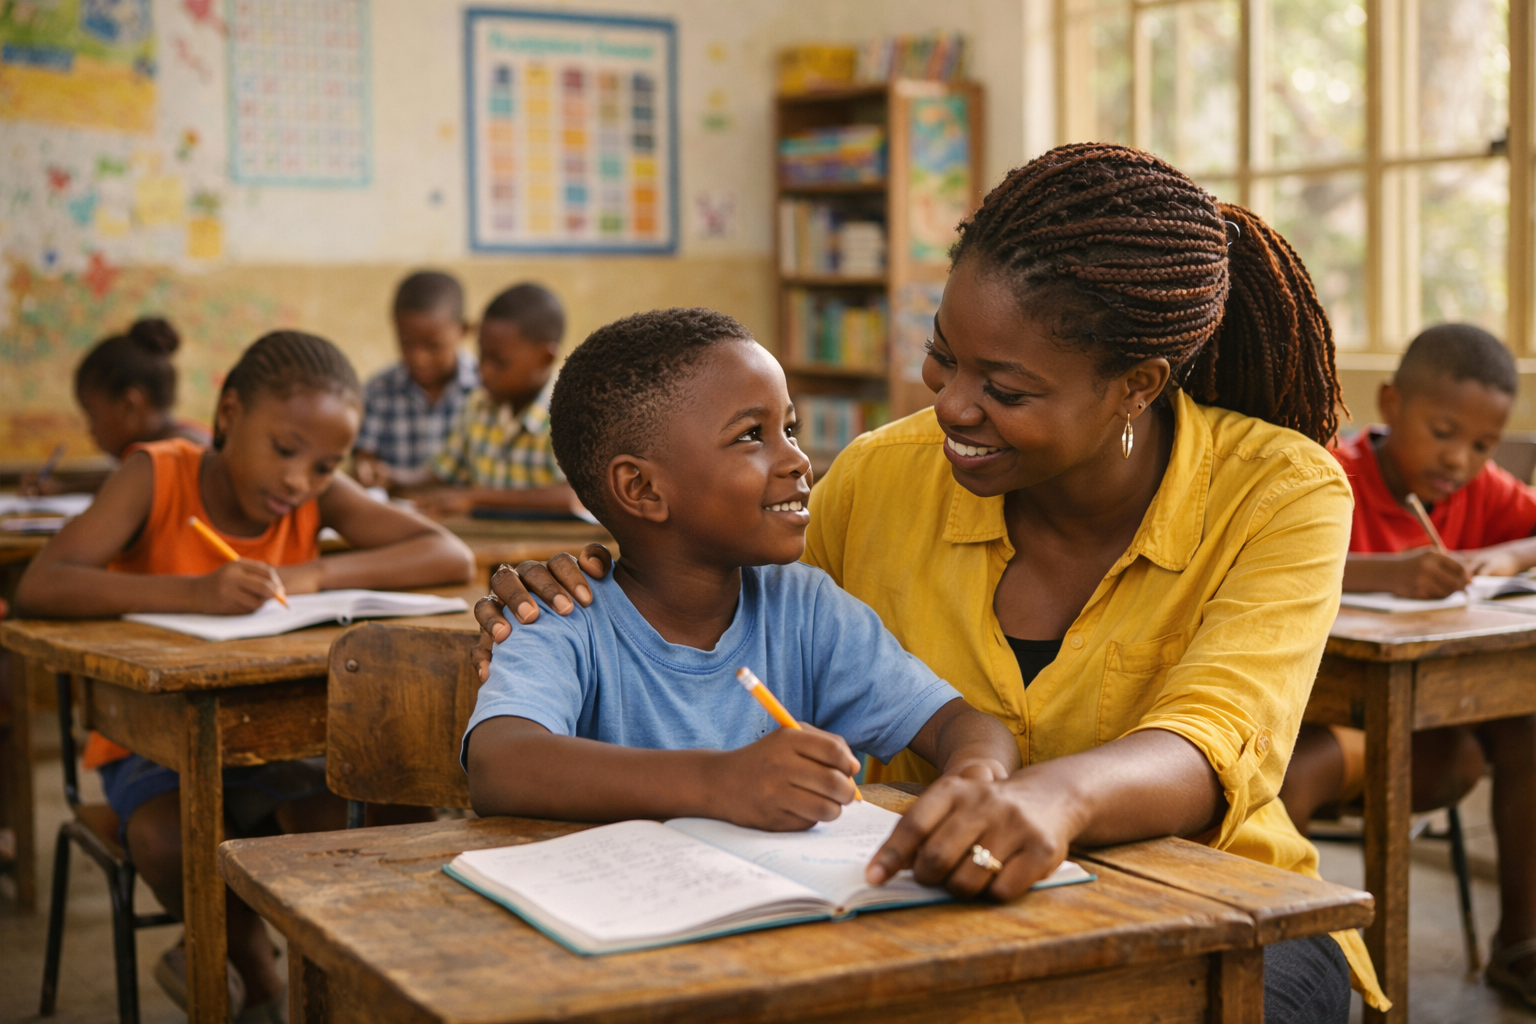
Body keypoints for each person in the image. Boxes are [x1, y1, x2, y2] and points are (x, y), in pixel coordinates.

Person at [469, 144, 1390, 1022]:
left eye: (1007, 390)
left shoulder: (1279, 492)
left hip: (1207, 898)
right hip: (928, 903)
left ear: (1136, 386)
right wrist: (594, 573)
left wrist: (1045, 797)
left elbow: (1214, 737)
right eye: (944, 356)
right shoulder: (880, 476)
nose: (949, 406)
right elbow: (726, 601)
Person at [15, 330, 475, 1020]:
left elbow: (446, 553)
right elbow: (41, 585)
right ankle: (253, 973)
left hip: (275, 734)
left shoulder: (312, 493)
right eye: (285, 450)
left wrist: (312, 572)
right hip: (153, 737)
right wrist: (192, 593)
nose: (299, 480)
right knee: (170, 840)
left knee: (361, 828)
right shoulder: (157, 473)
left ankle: (321, 979)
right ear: (230, 413)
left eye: (324, 467)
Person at [465, 308, 1020, 826]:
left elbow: (961, 725)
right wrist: (718, 782)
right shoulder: (564, 616)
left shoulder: (805, 609)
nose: (798, 460)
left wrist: (975, 782)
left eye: (790, 429)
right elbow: (501, 766)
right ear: (642, 488)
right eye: (752, 436)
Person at [1278, 323, 1536, 1006]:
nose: (1459, 459)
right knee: (1289, 781)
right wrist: (1386, 574)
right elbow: (1275, 559)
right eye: (1443, 432)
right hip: (1332, 721)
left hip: (1439, 738)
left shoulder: (1482, 494)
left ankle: (1521, 943)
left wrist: (1507, 555)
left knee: (1528, 726)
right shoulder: (1331, 473)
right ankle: (1285, 975)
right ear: (1391, 403)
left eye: (1482, 446)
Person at [413, 282, 576, 516]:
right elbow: (444, 471)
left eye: (498, 362)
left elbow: (576, 497)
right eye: (481, 355)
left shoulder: (570, 416)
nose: (483, 370)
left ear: (544, 359)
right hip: (486, 537)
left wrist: (476, 497)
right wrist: (392, 476)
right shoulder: (478, 405)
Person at [21, 317, 209, 495]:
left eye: (93, 416)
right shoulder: (161, 451)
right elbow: (119, 481)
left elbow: (128, 485)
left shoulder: (176, 455)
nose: (91, 430)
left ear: (129, 405)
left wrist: (63, 489)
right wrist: (62, 488)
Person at [352, 270, 478, 491]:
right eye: (407, 343)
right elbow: (364, 456)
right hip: (394, 508)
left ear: (463, 330)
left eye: (434, 346)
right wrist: (366, 470)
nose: (419, 358)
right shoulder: (379, 391)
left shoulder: (483, 390)